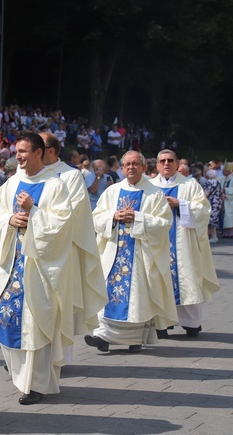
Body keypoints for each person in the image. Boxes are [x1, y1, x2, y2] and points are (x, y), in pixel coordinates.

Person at [0, 132, 73, 405]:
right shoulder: (11, 183)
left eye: (24, 151)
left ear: (39, 153)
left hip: (39, 269)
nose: (19, 156)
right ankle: (19, 376)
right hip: (11, 266)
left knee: (37, 321)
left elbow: (61, 225)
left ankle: (36, 384)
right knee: (5, 316)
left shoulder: (55, 185)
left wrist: (33, 211)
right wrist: (10, 219)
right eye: (17, 152)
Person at [85, 151, 178, 353]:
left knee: (137, 296)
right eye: (127, 164)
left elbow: (164, 224)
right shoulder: (112, 191)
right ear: (122, 167)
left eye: (135, 164)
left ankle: (135, 338)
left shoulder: (154, 194)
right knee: (108, 293)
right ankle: (103, 336)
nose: (131, 168)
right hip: (113, 253)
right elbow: (96, 217)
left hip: (140, 255)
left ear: (143, 167)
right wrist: (114, 216)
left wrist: (138, 217)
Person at [38, 132, 107, 345]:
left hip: (60, 249)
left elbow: (75, 212)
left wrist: (36, 218)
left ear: (50, 151)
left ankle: (58, 355)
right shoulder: (24, 175)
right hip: (29, 247)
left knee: (60, 301)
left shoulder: (70, 176)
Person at [152, 149, 219, 337]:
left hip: (183, 242)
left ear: (177, 164)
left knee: (186, 278)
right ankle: (161, 323)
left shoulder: (190, 185)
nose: (166, 164)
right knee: (159, 281)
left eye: (170, 160)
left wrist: (180, 203)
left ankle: (190, 322)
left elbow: (204, 209)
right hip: (158, 242)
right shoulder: (149, 186)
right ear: (157, 165)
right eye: (162, 161)